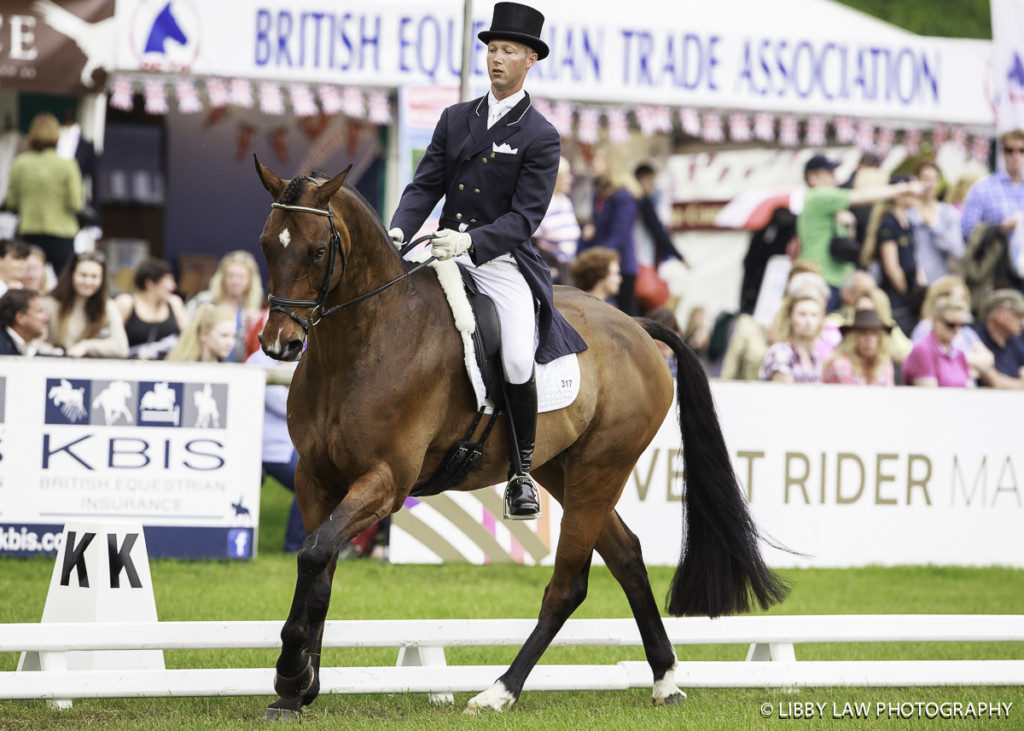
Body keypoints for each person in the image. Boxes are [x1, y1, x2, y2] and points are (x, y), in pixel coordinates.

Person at [386, 2, 587, 520]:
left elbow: (526, 218)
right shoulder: (457, 118)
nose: (497, 59)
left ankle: (521, 472)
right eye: (493, 49)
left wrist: (472, 244)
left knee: (518, 357)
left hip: (499, 261)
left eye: (508, 51)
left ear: (530, 60)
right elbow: (426, 183)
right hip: (439, 248)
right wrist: (400, 228)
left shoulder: (540, 135)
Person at [797, 153, 924, 310]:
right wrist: (904, 188)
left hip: (835, 281)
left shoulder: (830, 206)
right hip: (823, 280)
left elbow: (846, 244)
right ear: (812, 177)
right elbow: (862, 195)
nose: (834, 179)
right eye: (829, 174)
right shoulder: (818, 195)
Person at [3, 113, 83, 276]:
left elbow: (11, 202)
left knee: (26, 279)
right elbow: (76, 203)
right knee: (65, 282)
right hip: (62, 232)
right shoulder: (67, 164)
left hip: (29, 231)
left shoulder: (20, 163)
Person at [245, 347, 305, 552]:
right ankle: (295, 546)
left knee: (321, 479)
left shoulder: (300, 360)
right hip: (267, 446)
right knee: (309, 481)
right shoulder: (258, 361)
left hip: (294, 444)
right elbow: (285, 406)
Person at [41, 251, 128, 358]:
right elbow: (32, 342)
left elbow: (121, 347)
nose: (88, 282)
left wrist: (86, 346)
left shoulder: (108, 306)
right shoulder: (48, 303)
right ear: (71, 275)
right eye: (83, 275)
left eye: (94, 277)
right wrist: (52, 351)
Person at [869, 174, 926, 335]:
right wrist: (908, 294)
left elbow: (915, 259)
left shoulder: (908, 223)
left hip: (910, 293)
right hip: (897, 299)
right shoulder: (889, 223)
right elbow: (891, 266)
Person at [186, 250, 264, 363]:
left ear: (250, 281)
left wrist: (255, 328)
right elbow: (185, 333)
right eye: (230, 276)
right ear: (222, 278)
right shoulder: (204, 302)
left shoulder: (252, 311)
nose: (235, 281)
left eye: (241, 277)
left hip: (237, 371)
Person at [115, 257, 190, 360]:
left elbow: (190, 336)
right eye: (168, 281)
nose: (173, 286)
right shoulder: (126, 303)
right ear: (150, 283)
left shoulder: (174, 303)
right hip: (131, 367)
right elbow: (112, 338)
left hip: (168, 368)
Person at [587, 172, 640, 315]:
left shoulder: (623, 196)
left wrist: (595, 257)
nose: (595, 163)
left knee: (626, 315)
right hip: (602, 264)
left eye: (600, 159)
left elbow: (620, 233)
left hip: (620, 264)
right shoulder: (599, 194)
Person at [960, 128, 1024, 245]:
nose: (1016, 155)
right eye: (1010, 150)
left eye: (1021, 150)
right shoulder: (982, 188)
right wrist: (1001, 228)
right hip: (998, 259)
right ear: (1002, 153)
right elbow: (967, 231)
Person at [907, 161, 964, 285]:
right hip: (911, 282)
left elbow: (957, 250)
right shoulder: (907, 213)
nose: (930, 184)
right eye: (925, 179)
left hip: (940, 282)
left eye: (934, 180)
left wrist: (933, 224)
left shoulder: (948, 212)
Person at [902, 294, 974, 388]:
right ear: (936, 321)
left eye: (961, 324)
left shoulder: (960, 354)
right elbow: (930, 396)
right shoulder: (922, 350)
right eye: (951, 324)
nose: (957, 329)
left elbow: (970, 390)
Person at [533, 156, 581, 284]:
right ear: (555, 177)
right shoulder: (542, 203)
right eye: (566, 175)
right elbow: (532, 241)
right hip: (548, 274)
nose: (570, 179)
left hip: (567, 272)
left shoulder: (565, 201)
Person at [759, 295, 824, 383]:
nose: (809, 320)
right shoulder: (779, 352)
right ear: (790, 318)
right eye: (802, 314)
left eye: (814, 315)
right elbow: (785, 393)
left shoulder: (815, 356)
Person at [823, 308, 895, 386]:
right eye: (863, 333)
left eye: (874, 333)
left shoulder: (885, 365)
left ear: (880, 339)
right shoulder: (840, 365)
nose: (869, 339)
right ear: (853, 338)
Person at [974, 289, 1024, 389]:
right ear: (1000, 314)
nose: (1022, 323)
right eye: (1018, 316)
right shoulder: (976, 340)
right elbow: (996, 383)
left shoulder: (1016, 343)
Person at [166, 303, 237, 362]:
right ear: (204, 335)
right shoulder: (184, 366)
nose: (230, 343)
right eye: (224, 336)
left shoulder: (227, 368)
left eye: (233, 336)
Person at [0, 288, 49, 356]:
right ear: (20, 317)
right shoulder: (3, 350)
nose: (46, 318)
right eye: (39, 312)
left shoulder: (30, 349)